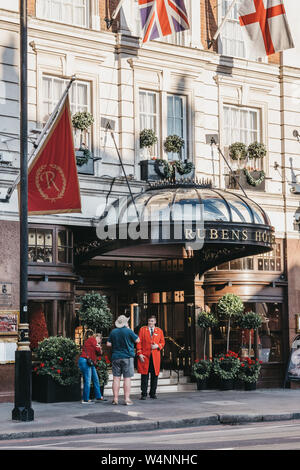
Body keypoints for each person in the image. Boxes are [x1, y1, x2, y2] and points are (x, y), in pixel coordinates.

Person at [106, 315, 140, 406]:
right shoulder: (129, 331)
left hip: (116, 357)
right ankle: (127, 399)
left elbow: (108, 344)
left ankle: (115, 399)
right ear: (126, 323)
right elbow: (138, 340)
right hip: (127, 357)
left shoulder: (113, 332)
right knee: (127, 378)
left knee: (116, 378)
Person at [137, 315, 165, 400]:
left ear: (155, 322)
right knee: (144, 375)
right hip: (145, 356)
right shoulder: (142, 329)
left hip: (155, 357)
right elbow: (139, 342)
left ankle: (153, 393)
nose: (150, 323)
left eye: (152, 321)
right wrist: (139, 353)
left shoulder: (159, 331)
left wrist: (158, 346)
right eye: (149, 321)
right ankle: (144, 394)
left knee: (154, 376)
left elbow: (163, 342)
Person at [78, 330, 106, 404]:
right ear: (97, 337)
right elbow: (98, 350)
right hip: (85, 361)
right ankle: (85, 399)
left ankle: (98, 396)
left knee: (95, 379)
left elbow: (100, 353)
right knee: (88, 380)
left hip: (90, 362)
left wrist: (99, 348)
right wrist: (99, 347)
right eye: (100, 339)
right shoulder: (92, 339)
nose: (99, 341)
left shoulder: (93, 341)